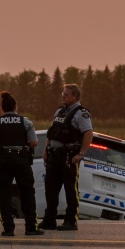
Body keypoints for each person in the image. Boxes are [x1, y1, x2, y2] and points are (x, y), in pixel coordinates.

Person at [0, 91, 42, 237]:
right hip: (21, 159)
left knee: (5, 194)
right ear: (15, 106)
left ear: (2, 108)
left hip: (2, 160)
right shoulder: (26, 121)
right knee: (28, 193)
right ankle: (30, 227)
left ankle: (8, 229)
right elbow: (34, 142)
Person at [41, 83, 93, 231]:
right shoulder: (59, 111)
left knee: (70, 190)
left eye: (66, 94)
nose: (63, 96)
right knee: (50, 189)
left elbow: (88, 133)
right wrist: (46, 150)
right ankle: (49, 220)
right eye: (63, 93)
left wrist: (80, 154)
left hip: (69, 157)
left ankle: (71, 221)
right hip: (54, 156)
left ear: (75, 96)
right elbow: (52, 133)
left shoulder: (81, 113)